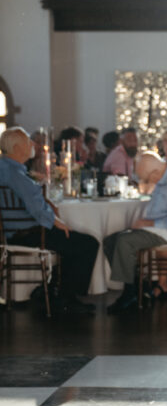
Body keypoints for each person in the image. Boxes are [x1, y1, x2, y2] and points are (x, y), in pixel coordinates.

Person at [0, 127, 98, 314]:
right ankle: (67, 298)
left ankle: (53, 290)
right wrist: (56, 221)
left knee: (72, 243)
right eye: (29, 142)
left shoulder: (6, 168)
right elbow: (35, 207)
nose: (33, 145)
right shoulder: (15, 174)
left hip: (12, 233)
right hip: (28, 235)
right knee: (87, 244)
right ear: (17, 147)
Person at [103, 150, 167, 312]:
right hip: (158, 227)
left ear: (155, 172)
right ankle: (137, 287)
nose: (145, 181)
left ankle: (129, 295)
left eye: (146, 178)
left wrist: (148, 222)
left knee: (124, 241)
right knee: (110, 241)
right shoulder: (164, 170)